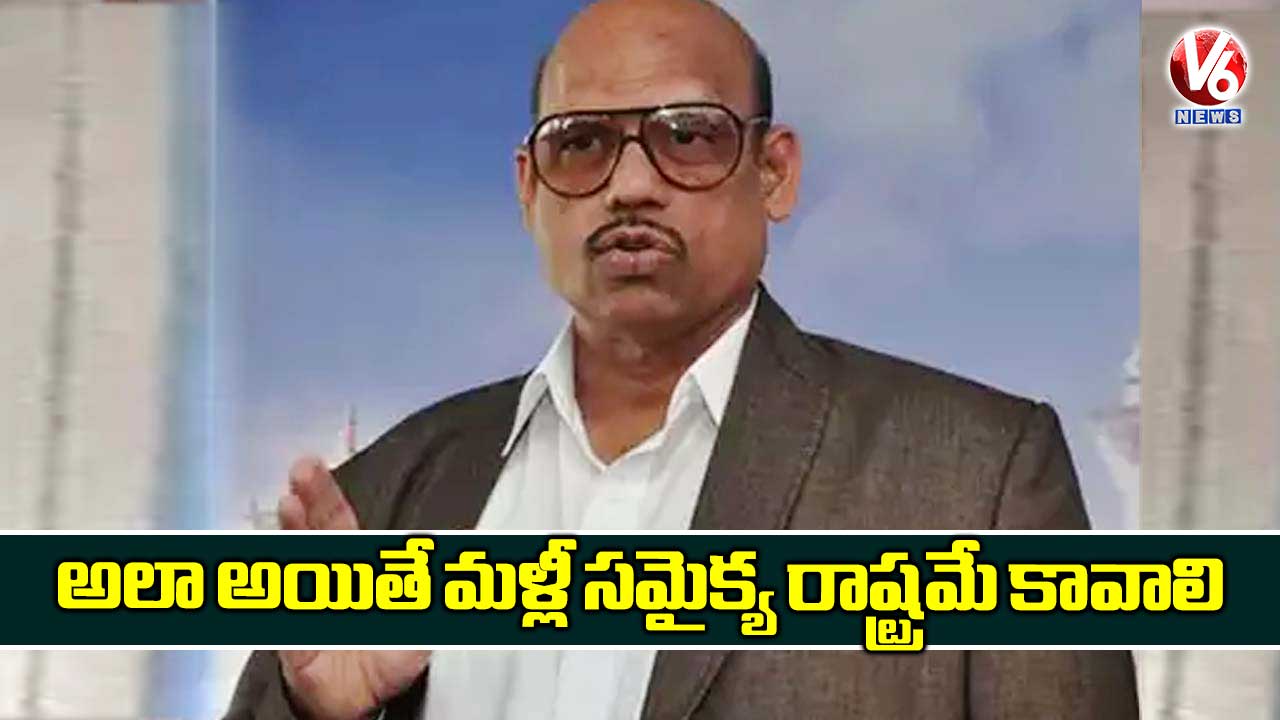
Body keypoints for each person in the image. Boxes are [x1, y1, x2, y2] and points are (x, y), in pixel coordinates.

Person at [225, 0, 1139, 718]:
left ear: (774, 172)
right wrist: (320, 713)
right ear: (529, 189)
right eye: (581, 143)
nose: (630, 184)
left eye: (688, 135)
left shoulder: (975, 480)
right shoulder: (385, 497)